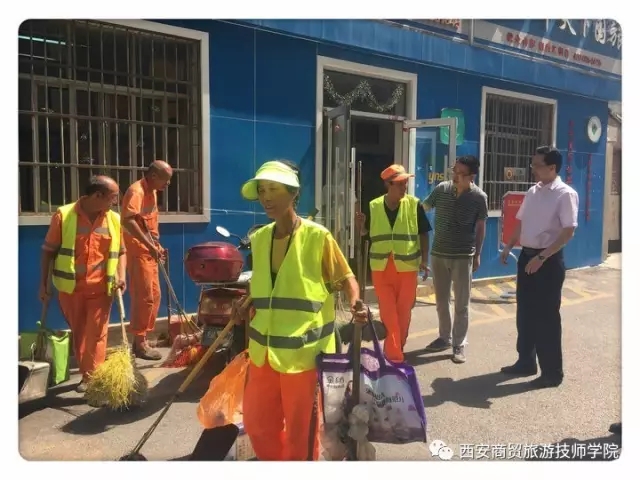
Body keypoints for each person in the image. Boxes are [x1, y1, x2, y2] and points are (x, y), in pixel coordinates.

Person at [236, 159, 367, 461]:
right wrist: (246, 302)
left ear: (293, 193)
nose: (266, 197)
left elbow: (346, 278)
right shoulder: (259, 238)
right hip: (263, 352)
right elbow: (266, 286)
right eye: (262, 190)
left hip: (303, 355)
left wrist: (356, 302)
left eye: (274, 189)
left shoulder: (317, 237)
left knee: (300, 430)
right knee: (257, 424)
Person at [500, 146, 578, 389]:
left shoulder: (565, 194)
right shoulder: (533, 191)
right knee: (525, 313)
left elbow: (568, 231)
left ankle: (552, 373)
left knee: (546, 317)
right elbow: (521, 222)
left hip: (548, 261)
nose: (533, 169)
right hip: (527, 257)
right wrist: (508, 245)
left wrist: (542, 257)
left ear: (552, 168)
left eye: (537, 165)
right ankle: (526, 361)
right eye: (532, 164)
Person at [39, 175, 126, 393]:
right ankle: (88, 373)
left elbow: (121, 251)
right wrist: (43, 285)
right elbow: (48, 252)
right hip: (71, 289)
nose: (116, 201)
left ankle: (91, 378)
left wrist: (121, 275)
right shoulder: (64, 215)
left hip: (101, 289)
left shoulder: (114, 219)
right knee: (80, 334)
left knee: (97, 334)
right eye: (113, 197)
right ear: (97, 195)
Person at [355, 164, 431, 363]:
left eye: (405, 183)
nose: (404, 187)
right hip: (381, 268)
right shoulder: (373, 206)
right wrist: (360, 226)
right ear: (388, 185)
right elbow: (366, 233)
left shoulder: (414, 204)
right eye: (400, 183)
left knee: (403, 313)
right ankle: (394, 357)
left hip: (407, 268)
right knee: (389, 314)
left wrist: (424, 259)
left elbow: (424, 233)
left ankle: (396, 349)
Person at [423, 155, 488, 364]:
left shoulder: (479, 197)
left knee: (462, 303)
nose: (455, 176)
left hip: (463, 256)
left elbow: (481, 227)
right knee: (441, 301)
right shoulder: (441, 189)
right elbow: (423, 208)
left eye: (461, 173)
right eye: (454, 171)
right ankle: (444, 337)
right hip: (439, 254)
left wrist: (478, 254)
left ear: (472, 176)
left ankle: (459, 343)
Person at [121, 160, 173, 360]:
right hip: (138, 252)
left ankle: (142, 338)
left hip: (150, 251)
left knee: (155, 296)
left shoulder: (153, 192)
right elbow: (128, 220)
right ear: (153, 176)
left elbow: (148, 225)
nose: (168, 184)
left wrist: (156, 246)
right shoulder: (137, 192)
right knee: (144, 297)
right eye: (165, 179)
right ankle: (139, 343)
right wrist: (149, 245)